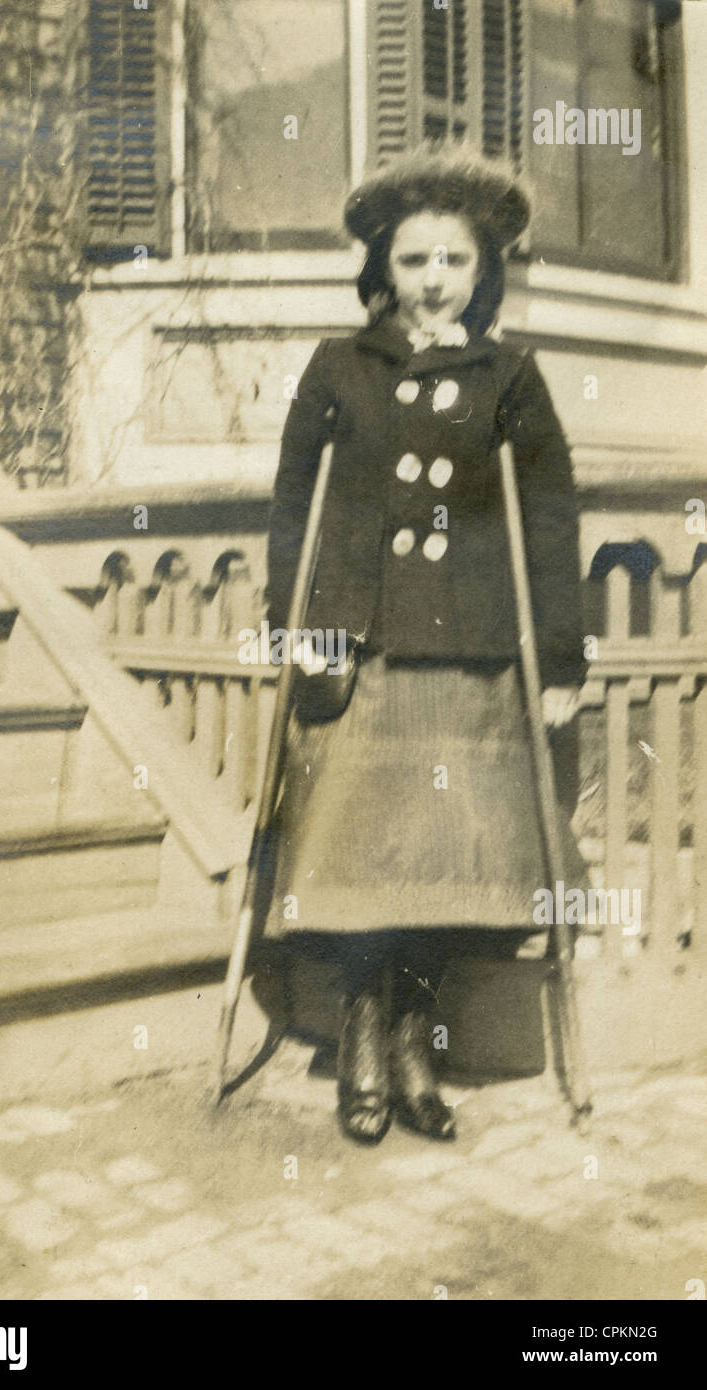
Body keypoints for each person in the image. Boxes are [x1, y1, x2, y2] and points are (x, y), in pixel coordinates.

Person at [261, 143, 587, 1145]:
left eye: (454, 260)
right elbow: (291, 507)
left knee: (453, 861)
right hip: (363, 649)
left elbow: (550, 519)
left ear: (482, 270)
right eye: (414, 261)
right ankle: (364, 1028)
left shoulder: (512, 374)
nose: (434, 280)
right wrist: (295, 628)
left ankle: (413, 1041)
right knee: (361, 855)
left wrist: (561, 662)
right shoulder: (337, 365)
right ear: (383, 270)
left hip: (475, 651)